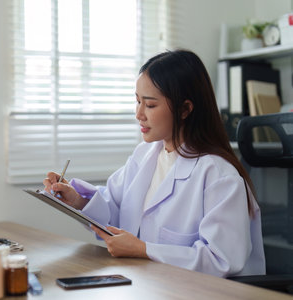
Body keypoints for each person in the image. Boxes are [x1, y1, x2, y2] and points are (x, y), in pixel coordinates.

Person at [43, 49, 265, 277]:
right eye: (137, 101)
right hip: (147, 282)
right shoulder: (145, 155)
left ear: (185, 109)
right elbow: (116, 211)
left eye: (149, 105)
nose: (139, 113)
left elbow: (222, 260)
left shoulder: (218, 175)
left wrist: (144, 250)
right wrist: (79, 201)